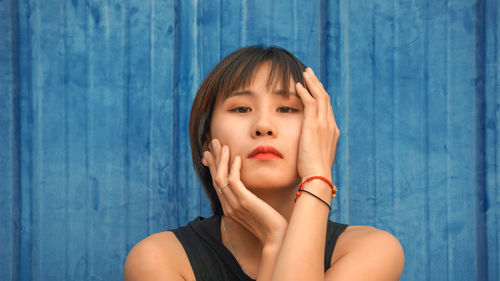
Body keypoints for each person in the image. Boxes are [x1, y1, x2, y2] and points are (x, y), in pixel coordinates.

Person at [123, 46, 404, 281]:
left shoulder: (370, 250)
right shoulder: (161, 260)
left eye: (287, 109)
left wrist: (318, 178)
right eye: (242, 109)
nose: (264, 126)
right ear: (208, 143)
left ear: (320, 133)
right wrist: (275, 240)